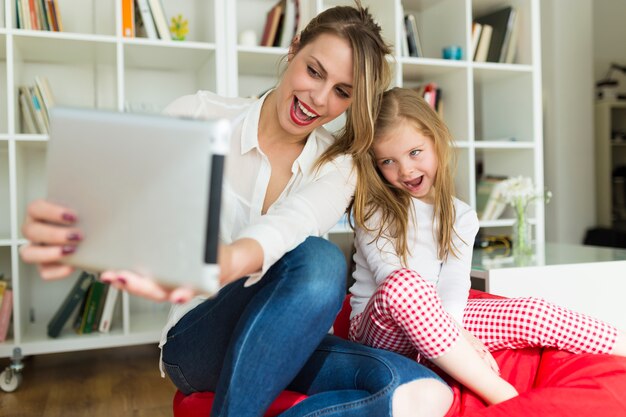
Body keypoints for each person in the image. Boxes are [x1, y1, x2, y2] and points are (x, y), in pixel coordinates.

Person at [19, 5, 454, 417]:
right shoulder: (199, 115)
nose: (319, 99)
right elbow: (119, 192)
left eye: (342, 92)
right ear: (294, 47)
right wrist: (77, 218)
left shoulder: (339, 166)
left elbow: (294, 221)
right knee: (321, 263)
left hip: (284, 336)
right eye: (313, 71)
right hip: (197, 340)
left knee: (419, 388)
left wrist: (228, 258)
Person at [348, 87, 626, 406]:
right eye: (388, 161)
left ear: (436, 141)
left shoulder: (462, 215)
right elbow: (390, 277)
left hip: (440, 318)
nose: (406, 170)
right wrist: (457, 338)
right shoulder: (373, 210)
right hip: (381, 332)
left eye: (415, 152)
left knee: (532, 313)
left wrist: (453, 329)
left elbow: (453, 283)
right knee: (406, 285)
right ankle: (503, 395)